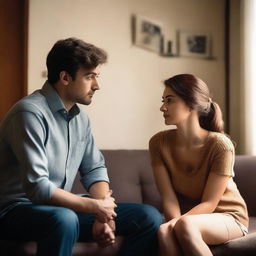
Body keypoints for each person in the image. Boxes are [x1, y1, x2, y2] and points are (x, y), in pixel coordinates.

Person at [0, 37, 162, 256]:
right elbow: (38, 187)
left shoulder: (80, 119)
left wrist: (102, 213)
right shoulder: (29, 113)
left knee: (148, 217)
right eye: (89, 77)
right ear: (65, 77)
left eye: (97, 76)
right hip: (14, 211)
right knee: (64, 219)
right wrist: (93, 207)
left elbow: (94, 169)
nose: (97, 85)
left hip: (57, 210)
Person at [149, 74, 248, 256]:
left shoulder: (220, 145)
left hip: (228, 217)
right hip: (187, 220)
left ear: (191, 102)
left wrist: (177, 223)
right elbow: (169, 198)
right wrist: (173, 224)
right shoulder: (158, 143)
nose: (162, 107)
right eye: (163, 101)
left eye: (169, 101)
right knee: (164, 231)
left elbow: (210, 203)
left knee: (183, 225)